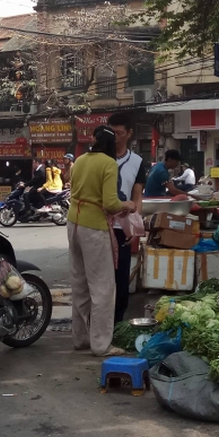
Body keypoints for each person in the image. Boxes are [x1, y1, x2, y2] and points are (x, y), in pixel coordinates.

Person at [67, 125, 136, 357]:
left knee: (80, 284)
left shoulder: (79, 160)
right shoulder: (108, 164)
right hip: (94, 227)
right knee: (103, 287)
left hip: (73, 224)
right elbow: (110, 203)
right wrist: (127, 205)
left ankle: (80, 338)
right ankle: (101, 345)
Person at [108, 111, 146, 324]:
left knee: (121, 279)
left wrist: (135, 226)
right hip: (99, 226)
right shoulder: (98, 159)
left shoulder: (138, 162)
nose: (115, 137)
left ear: (129, 133)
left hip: (121, 229)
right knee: (98, 280)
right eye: (111, 132)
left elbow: (137, 197)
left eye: (119, 133)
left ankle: (117, 324)